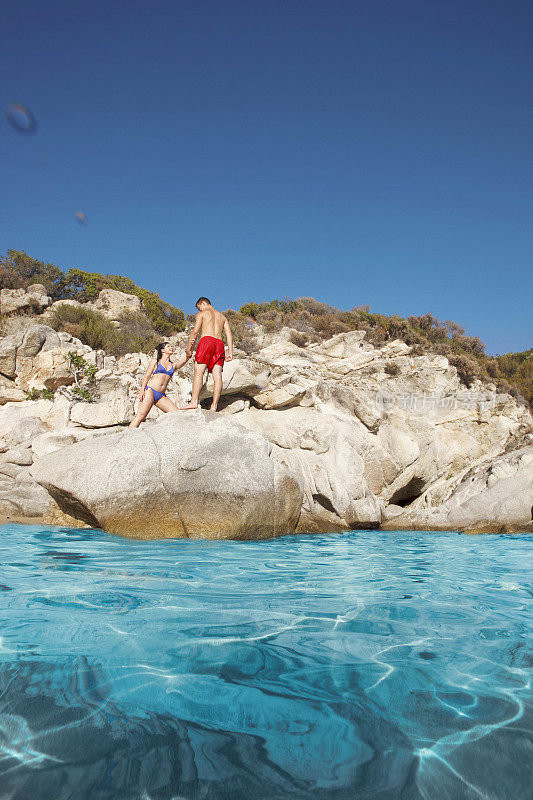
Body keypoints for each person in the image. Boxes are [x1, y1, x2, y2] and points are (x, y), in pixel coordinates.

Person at [180, 297, 233, 411]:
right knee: (217, 375)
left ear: (203, 303)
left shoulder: (202, 314)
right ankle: (214, 405)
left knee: (199, 371)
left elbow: (195, 332)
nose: (199, 311)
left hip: (206, 341)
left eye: (199, 308)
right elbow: (229, 335)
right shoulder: (223, 317)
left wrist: (189, 348)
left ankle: (194, 401)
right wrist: (230, 352)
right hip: (219, 344)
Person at [129, 342, 188, 428]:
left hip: (161, 396)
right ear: (162, 350)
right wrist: (142, 390)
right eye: (168, 346)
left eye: (171, 346)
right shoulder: (155, 361)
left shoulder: (173, 365)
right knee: (140, 416)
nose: (171, 347)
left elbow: (184, 360)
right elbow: (147, 376)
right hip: (150, 391)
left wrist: (189, 349)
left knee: (176, 413)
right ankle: (128, 436)